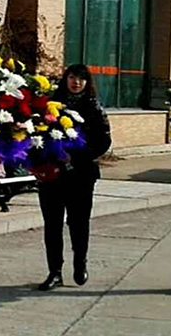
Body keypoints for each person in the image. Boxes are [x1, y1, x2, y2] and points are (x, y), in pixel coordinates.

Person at [35, 64, 112, 291]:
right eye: (72, 77)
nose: (76, 82)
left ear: (87, 82)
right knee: (52, 223)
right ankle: (55, 271)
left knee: (78, 222)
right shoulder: (51, 104)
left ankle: (80, 262)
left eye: (81, 78)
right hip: (52, 173)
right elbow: (35, 133)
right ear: (65, 79)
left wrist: (76, 156)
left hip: (81, 174)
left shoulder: (94, 107)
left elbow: (103, 141)